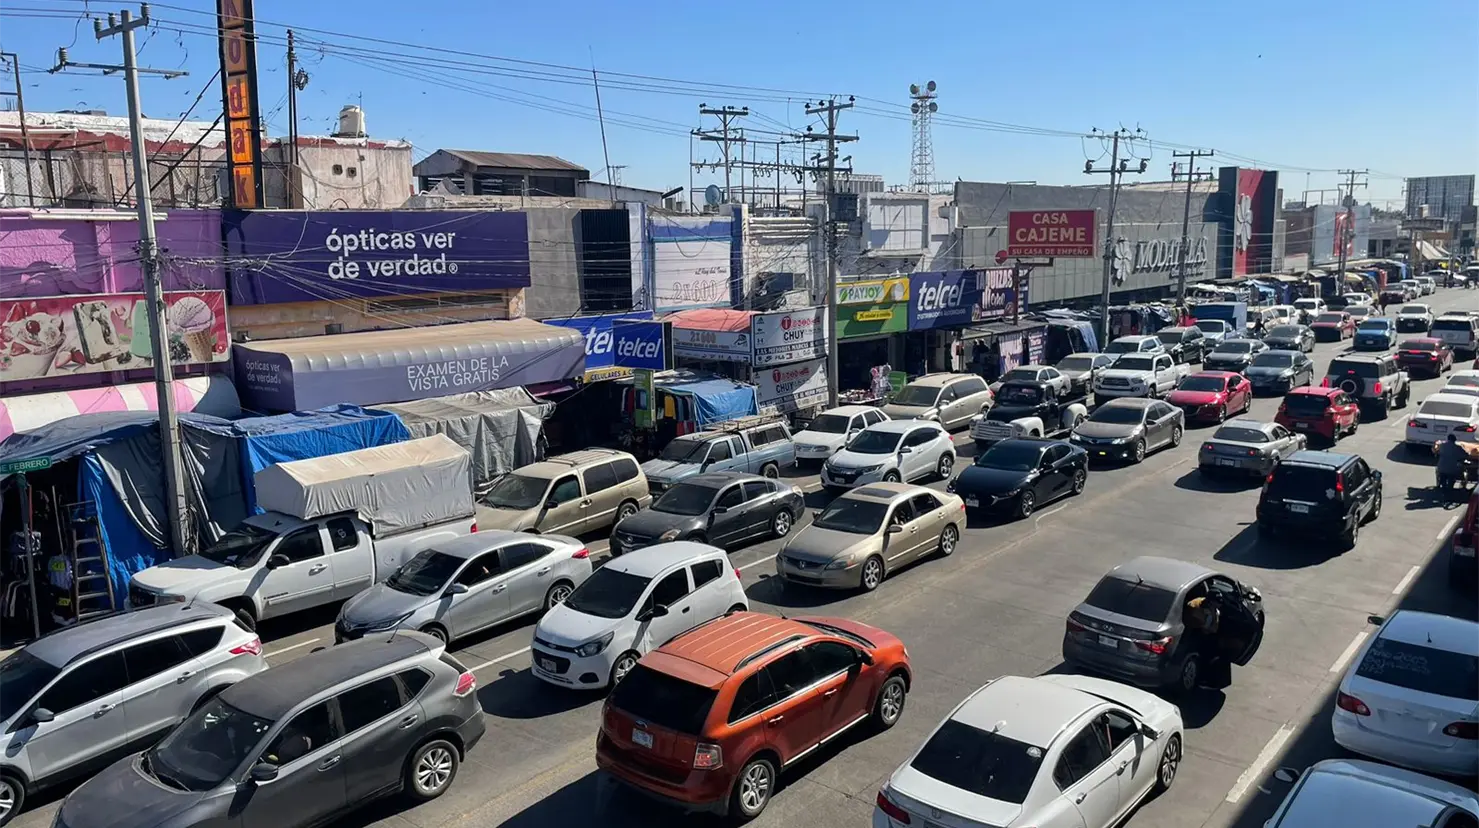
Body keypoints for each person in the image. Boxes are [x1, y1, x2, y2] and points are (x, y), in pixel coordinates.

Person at [1436, 433, 1470, 502]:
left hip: (1441, 468)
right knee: (1451, 478)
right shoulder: (1458, 448)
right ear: (1455, 440)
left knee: (1443, 477)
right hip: (1452, 469)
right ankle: (1449, 491)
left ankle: (1444, 490)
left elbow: (1438, 452)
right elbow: (1465, 455)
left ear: (1448, 439)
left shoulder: (1442, 446)